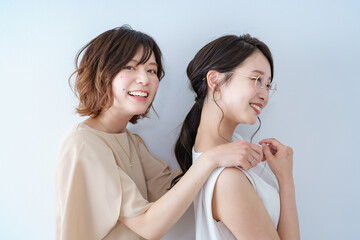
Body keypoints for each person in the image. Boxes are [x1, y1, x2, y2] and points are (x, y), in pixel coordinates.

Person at [56, 26, 259, 240]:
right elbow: (148, 226)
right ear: (101, 72)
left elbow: (175, 191)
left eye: (151, 70)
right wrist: (210, 159)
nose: (144, 79)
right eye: (130, 67)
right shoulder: (83, 143)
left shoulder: (131, 141)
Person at [173, 34, 300, 239]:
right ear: (215, 80)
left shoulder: (235, 149)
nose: (265, 95)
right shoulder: (227, 179)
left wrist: (285, 176)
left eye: (268, 85)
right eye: (256, 79)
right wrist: (286, 181)